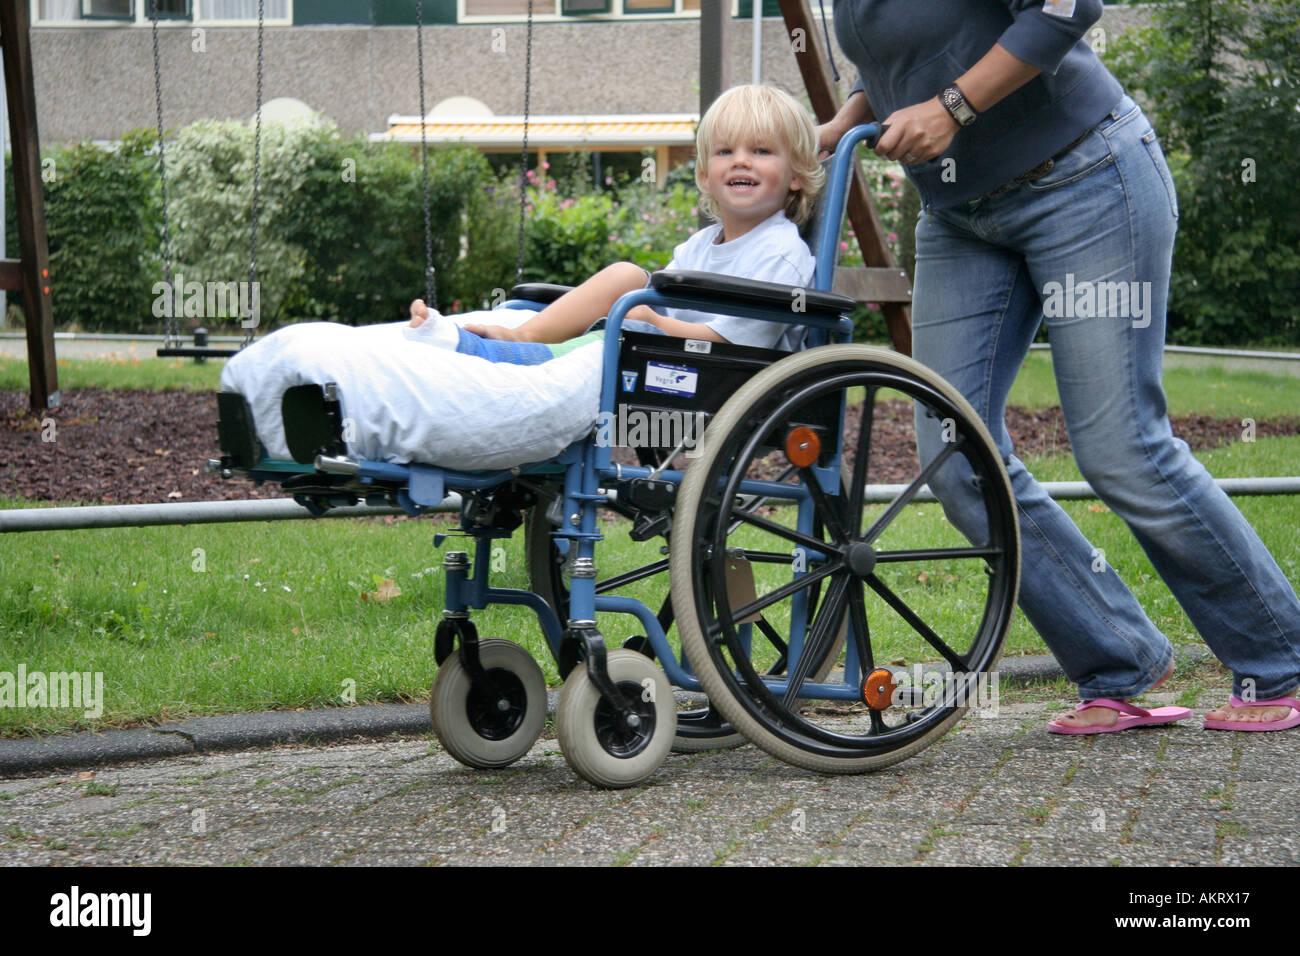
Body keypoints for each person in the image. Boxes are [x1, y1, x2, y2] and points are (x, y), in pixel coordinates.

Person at [816, 0, 1300, 732]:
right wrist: (833, 128)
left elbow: (1065, 8)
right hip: (960, 217)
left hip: (1084, 177)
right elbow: (898, 64)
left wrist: (952, 108)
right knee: (954, 454)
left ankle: (1281, 662)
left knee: (1122, 448)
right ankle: (1116, 663)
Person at [406, 83, 826, 363]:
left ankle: (523, 352)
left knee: (628, 315)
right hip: (680, 359)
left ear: (795, 175)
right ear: (704, 176)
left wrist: (656, 324)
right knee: (626, 277)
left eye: (761, 151)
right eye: (724, 151)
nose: (740, 160)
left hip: (729, 371)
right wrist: (647, 318)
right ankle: (522, 336)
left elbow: (739, 341)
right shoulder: (699, 246)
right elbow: (658, 304)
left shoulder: (781, 254)